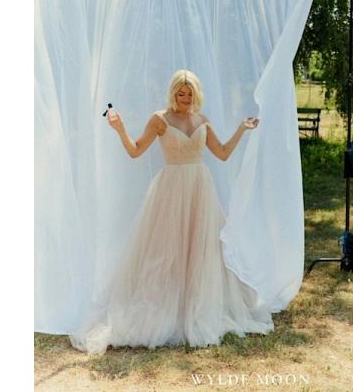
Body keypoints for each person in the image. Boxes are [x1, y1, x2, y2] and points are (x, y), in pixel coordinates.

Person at [68, 69, 274, 353]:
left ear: (196, 94)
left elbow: (223, 153)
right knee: (166, 253)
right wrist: (120, 129)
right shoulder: (160, 119)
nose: (185, 98)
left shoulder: (202, 120)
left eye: (190, 93)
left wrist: (242, 128)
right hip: (171, 190)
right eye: (181, 93)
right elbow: (136, 150)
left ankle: (196, 306)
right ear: (173, 93)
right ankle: (164, 309)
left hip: (200, 190)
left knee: (202, 251)